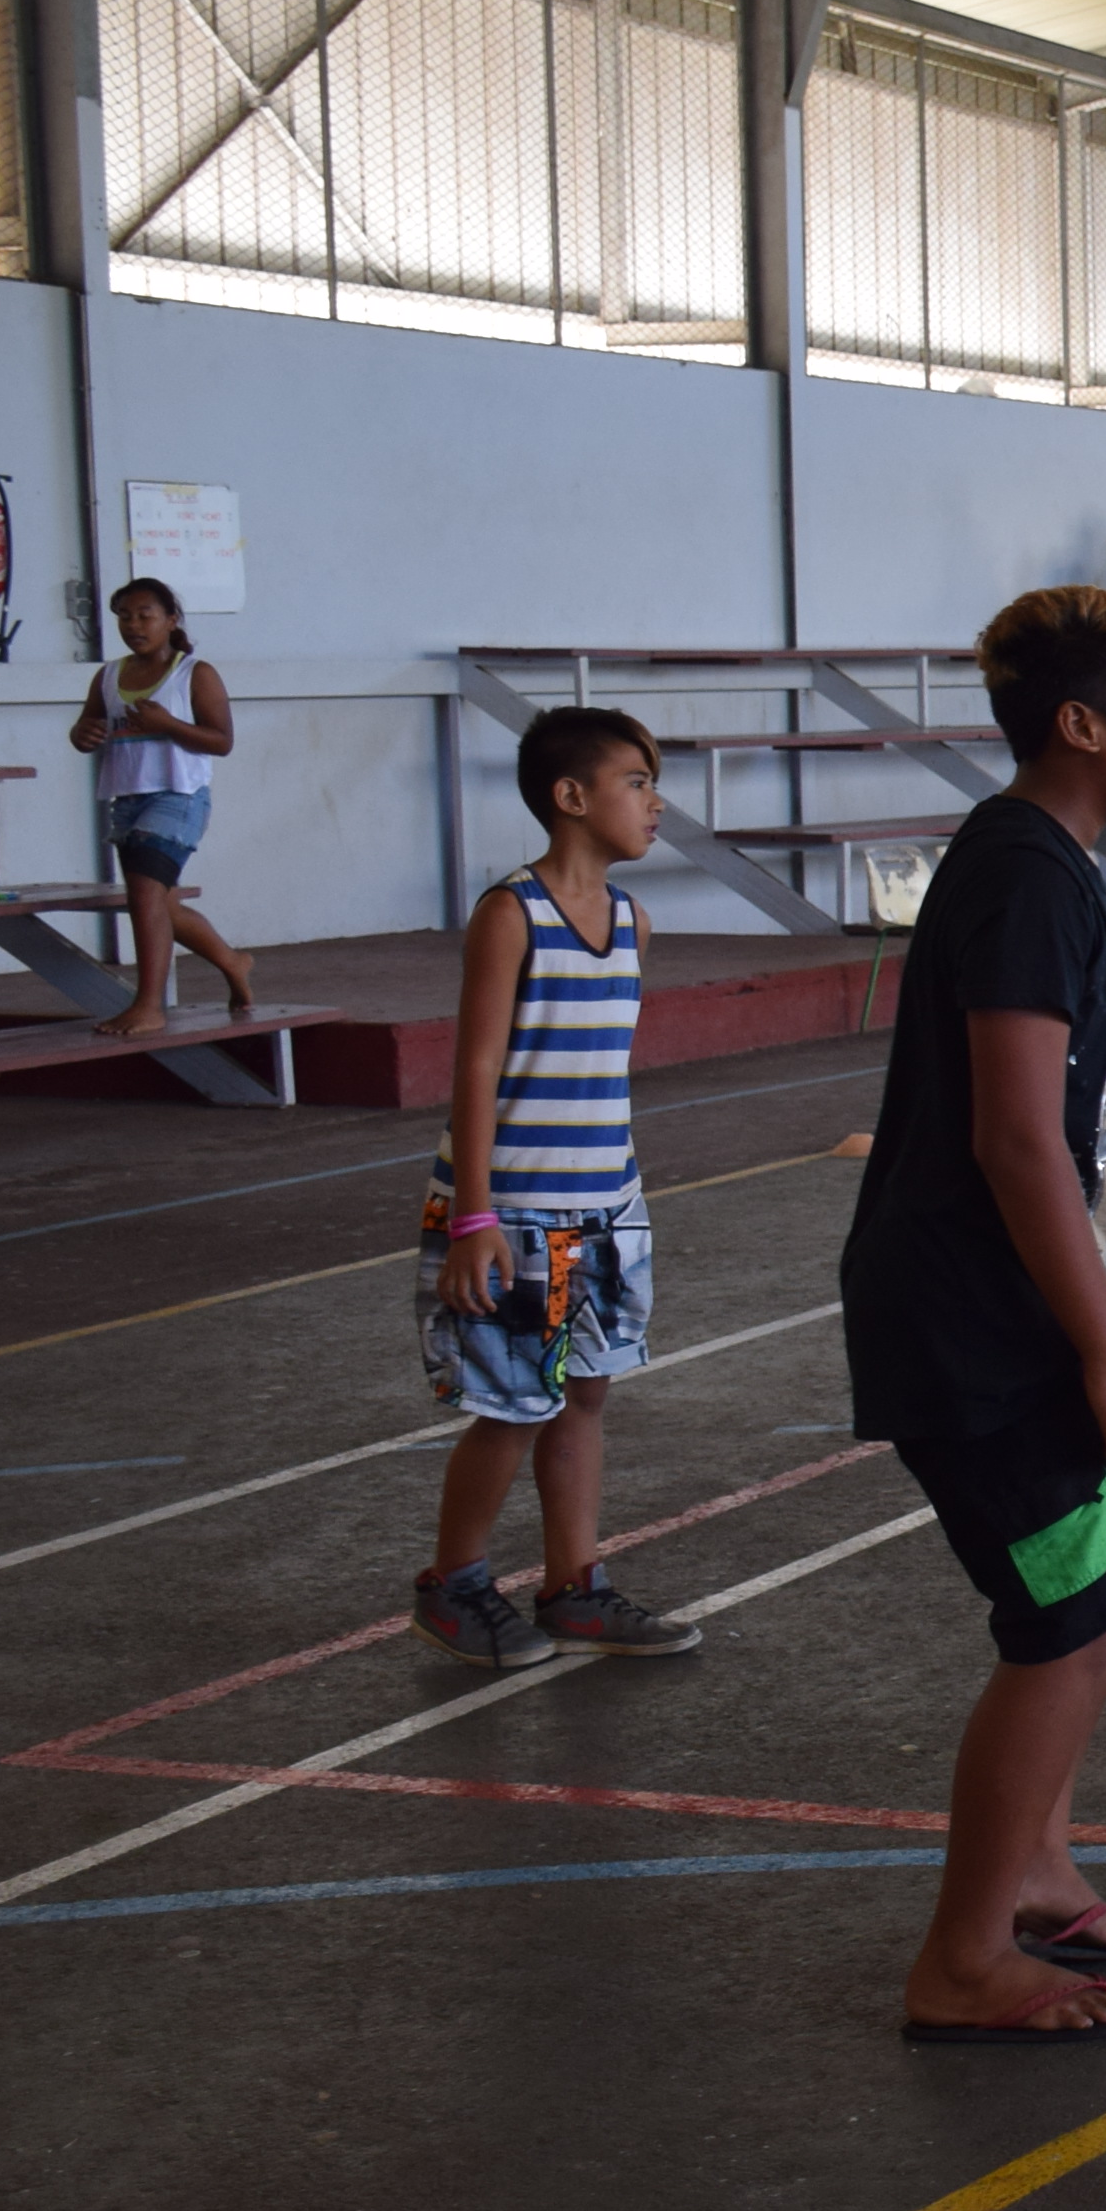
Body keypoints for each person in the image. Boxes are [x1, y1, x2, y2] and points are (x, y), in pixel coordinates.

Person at [842, 586, 1106, 2043]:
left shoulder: (1055, 870)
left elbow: (1065, 1099)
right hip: (980, 1332)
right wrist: (1104, 1344)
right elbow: (1007, 1137)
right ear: (1081, 724)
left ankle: (1039, 1858)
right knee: (1062, 1614)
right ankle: (964, 1955)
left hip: (1046, 1309)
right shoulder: (1021, 877)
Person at [408, 706, 701, 1669]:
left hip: (606, 1208)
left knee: (581, 1398)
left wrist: (618, 1204)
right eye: (637, 783)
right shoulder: (512, 914)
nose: (656, 803)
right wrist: (474, 1219)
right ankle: (452, 1584)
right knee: (512, 1406)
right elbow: (477, 1072)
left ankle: (576, 1587)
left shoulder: (631, 922)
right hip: (515, 1215)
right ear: (571, 798)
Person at [68, 576, 255, 1038]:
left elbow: (222, 740)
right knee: (162, 906)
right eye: (124, 617)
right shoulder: (109, 675)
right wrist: (83, 735)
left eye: (145, 616)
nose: (134, 625)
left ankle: (149, 1005)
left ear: (171, 621)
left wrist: (168, 723)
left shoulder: (195, 672)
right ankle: (233, 961)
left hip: (180, 797)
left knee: (144, 896)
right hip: (128, 800)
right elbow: (86, 726)